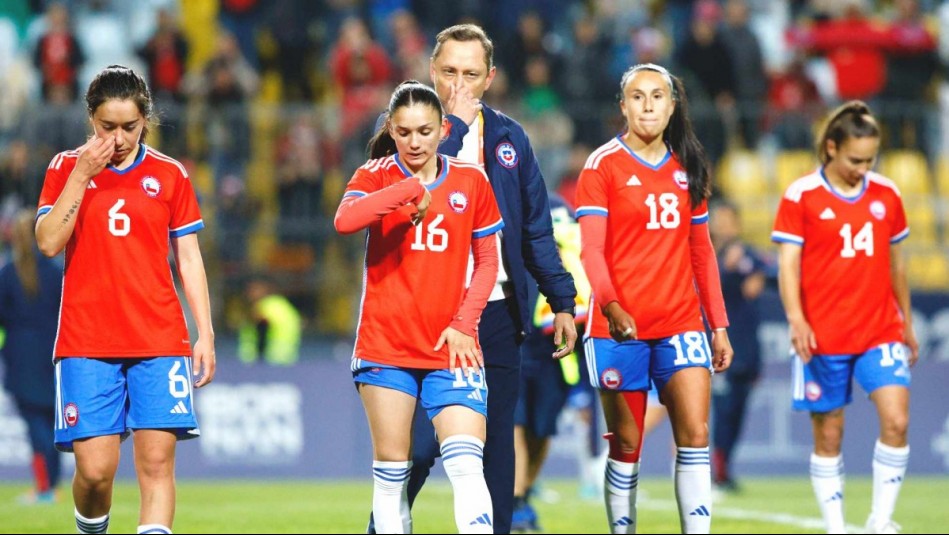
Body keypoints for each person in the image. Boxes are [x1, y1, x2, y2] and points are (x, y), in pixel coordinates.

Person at [367, 24, 579, 535]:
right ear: (430, 72)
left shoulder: (510, 139)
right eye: (447, 73)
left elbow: (534, 229)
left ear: (490, 79)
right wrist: (452, 128)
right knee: (415, 450)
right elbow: (396, 200)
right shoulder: (403, 131)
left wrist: (562, 299)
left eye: (470, 74)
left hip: (497, 314)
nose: (457, 86)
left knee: (496, 451)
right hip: (422, 314)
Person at [34, 65, 216, 535]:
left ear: (146, 121)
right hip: (86, 340)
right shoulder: (63, 168)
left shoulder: (169, 175)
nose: (117, 138)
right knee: (95, 473)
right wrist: (82, 176)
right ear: (90, 120)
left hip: (158, 337)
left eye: (129, 127)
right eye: (106, 127)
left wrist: (205, 333)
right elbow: (49, 242)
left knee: (156, 465)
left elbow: (189, 260)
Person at [335, 80, 503, 534]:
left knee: (467, 462)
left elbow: (488, 263)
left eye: (425, 132)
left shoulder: (472, 181)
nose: (415, 142)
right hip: (385, 346)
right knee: (393, 472)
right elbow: (345, 220)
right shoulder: (373, 175)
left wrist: (466, 324)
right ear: (391, 128)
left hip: (452, 345)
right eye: (405, 132)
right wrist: (405, 193)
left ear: (444, 129)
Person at [576, 63, 733, 534]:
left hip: (681, 323)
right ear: (623, 106)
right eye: (638, 97)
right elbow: (592, 251)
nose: (648, 105)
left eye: (658, 96)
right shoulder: (602, 165)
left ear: (672, 105)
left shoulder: (689, 167)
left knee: (696, 436)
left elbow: (701, 252)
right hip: (616, 328)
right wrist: (611, 305)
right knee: (626, 443)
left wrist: (718, 324)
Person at [772, 100, 917, 535]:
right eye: (856, 159)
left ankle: (880, 520)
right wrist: (796, 319)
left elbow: (897, 265)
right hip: (823, 334)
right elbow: (788, 266)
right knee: (829, 436)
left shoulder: (887, 194)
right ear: (831, 148)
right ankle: (836, 526)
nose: (863, 168)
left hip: (880, 328)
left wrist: (906, 321)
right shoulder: (801, 196)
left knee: (897, 419)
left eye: (870, 159)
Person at [512, 193, 588, 532]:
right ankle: (514, 500)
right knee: (514, 420)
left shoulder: (561, 209)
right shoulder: (506, 206)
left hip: (555, 341)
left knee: (542, 428)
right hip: (515, 336)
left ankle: (524, 494)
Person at [0, 210, 63, 504]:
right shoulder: (55, 274)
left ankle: (44, 487)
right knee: (54, 423)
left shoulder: (8, 274)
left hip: (20, 358)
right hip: (52, 355)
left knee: (35, 426)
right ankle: (54, 485)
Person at [708, 201, 768, 492]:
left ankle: (725, 467)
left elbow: (760, 279)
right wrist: (725, 271)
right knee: (723, 409)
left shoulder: (746, 253)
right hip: (720, 343)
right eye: (719, 220)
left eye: (729, 221)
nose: (724, 226)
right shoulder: (706, 255)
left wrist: (749, 272)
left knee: (739, 411)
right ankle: (717, 470)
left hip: (746, 346)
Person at [237, 274, 302, 366]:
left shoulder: (265, 306)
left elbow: (262, 326)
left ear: (265, 289)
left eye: (254, 289)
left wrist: (259, 356)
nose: (249, 293)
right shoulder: (284, 306)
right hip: (286, 359)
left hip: (265, 361)